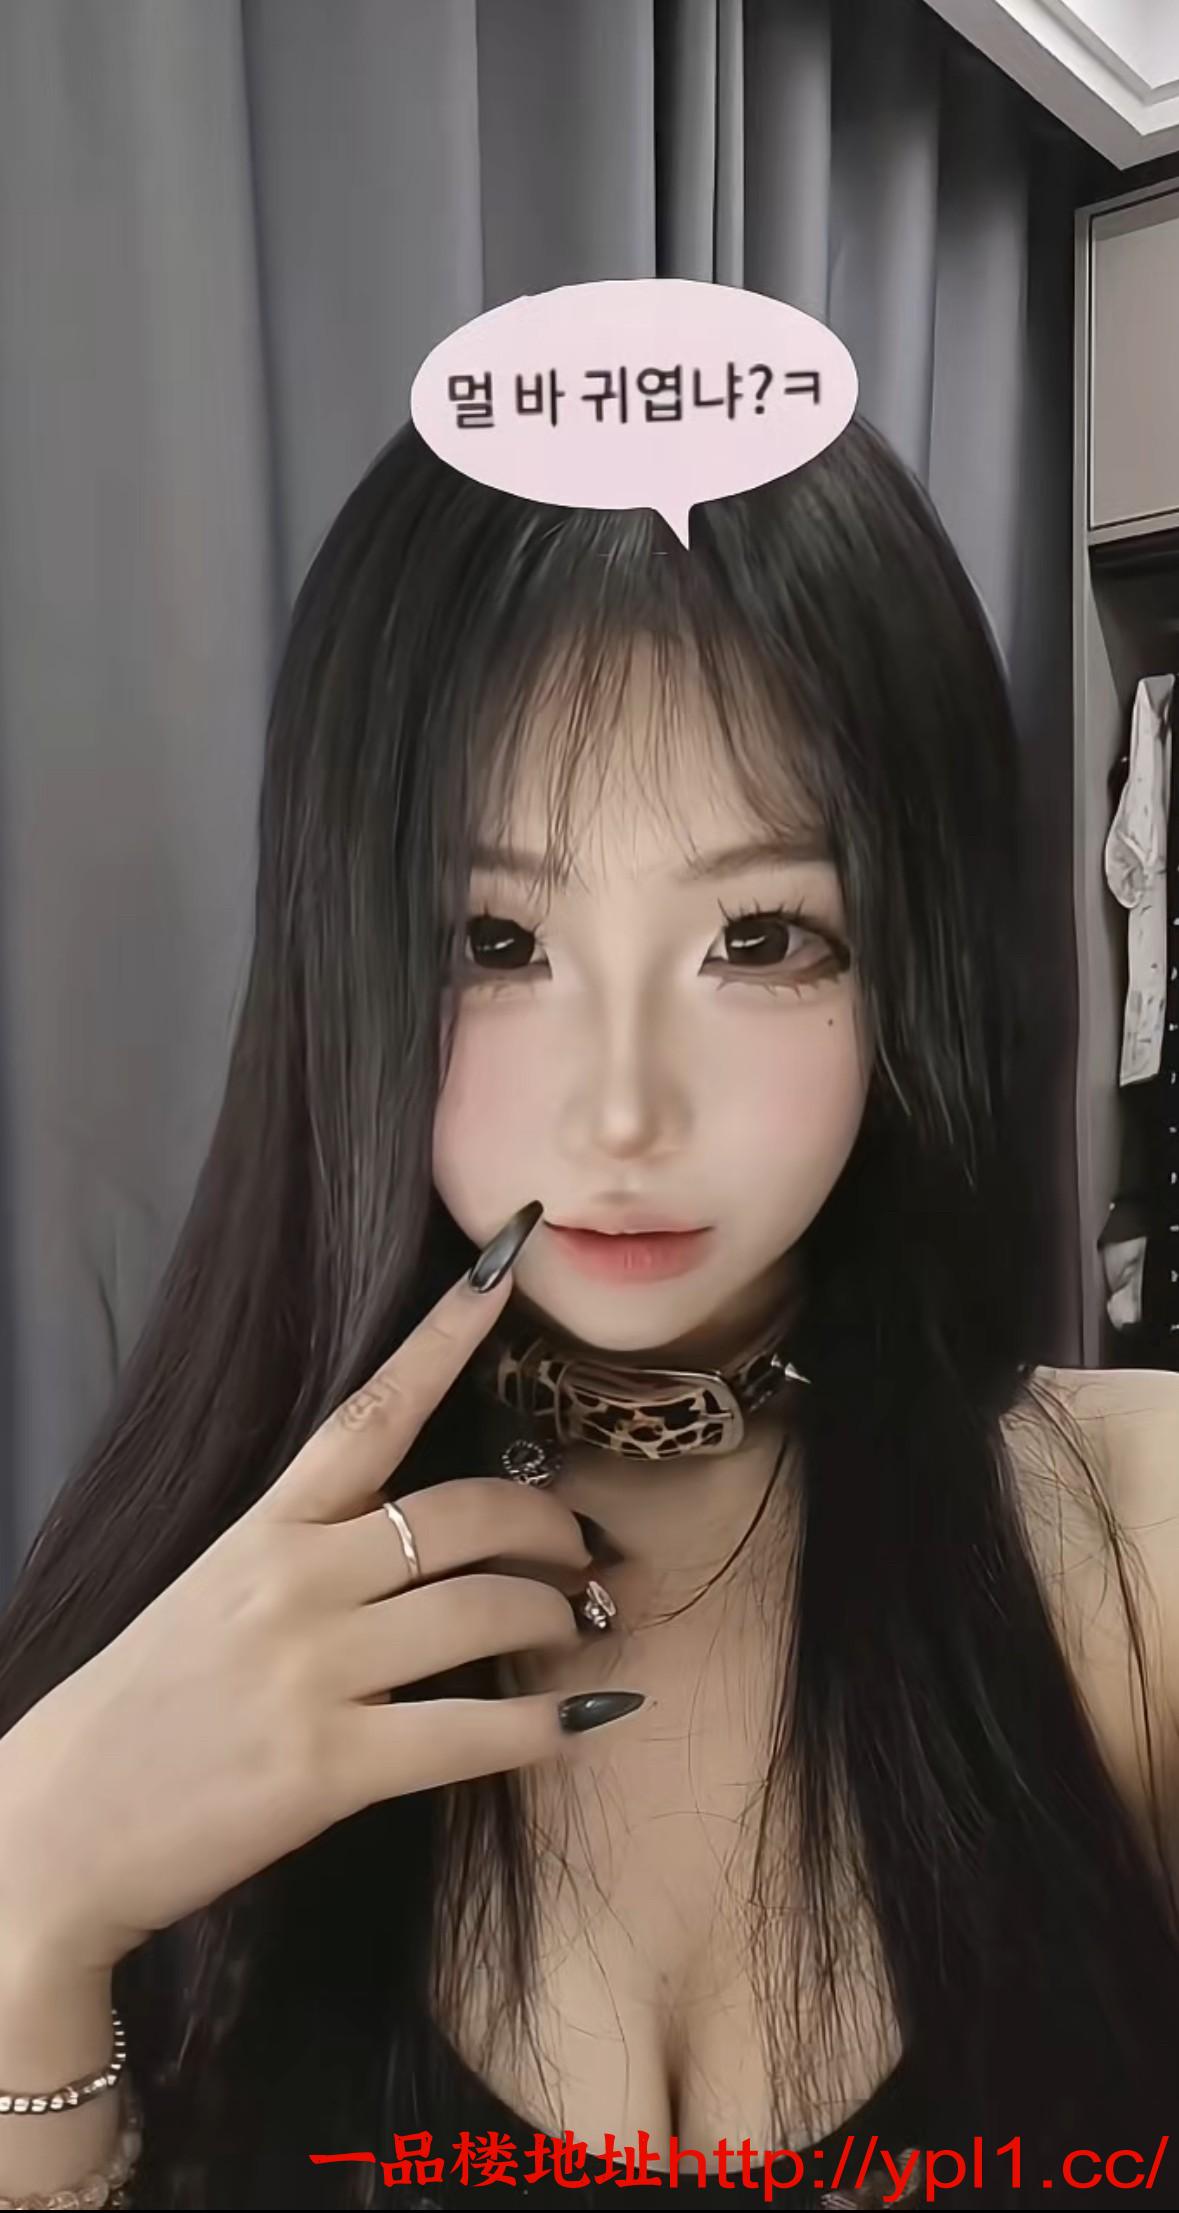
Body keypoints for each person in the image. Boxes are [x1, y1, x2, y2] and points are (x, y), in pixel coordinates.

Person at [0, 413, 1177, 2213]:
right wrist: (29, 1903)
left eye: (761, 937)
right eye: (497, 943)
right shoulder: (174, 1615)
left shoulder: (1136, 1541)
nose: (624, 1113)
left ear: (914, 951)